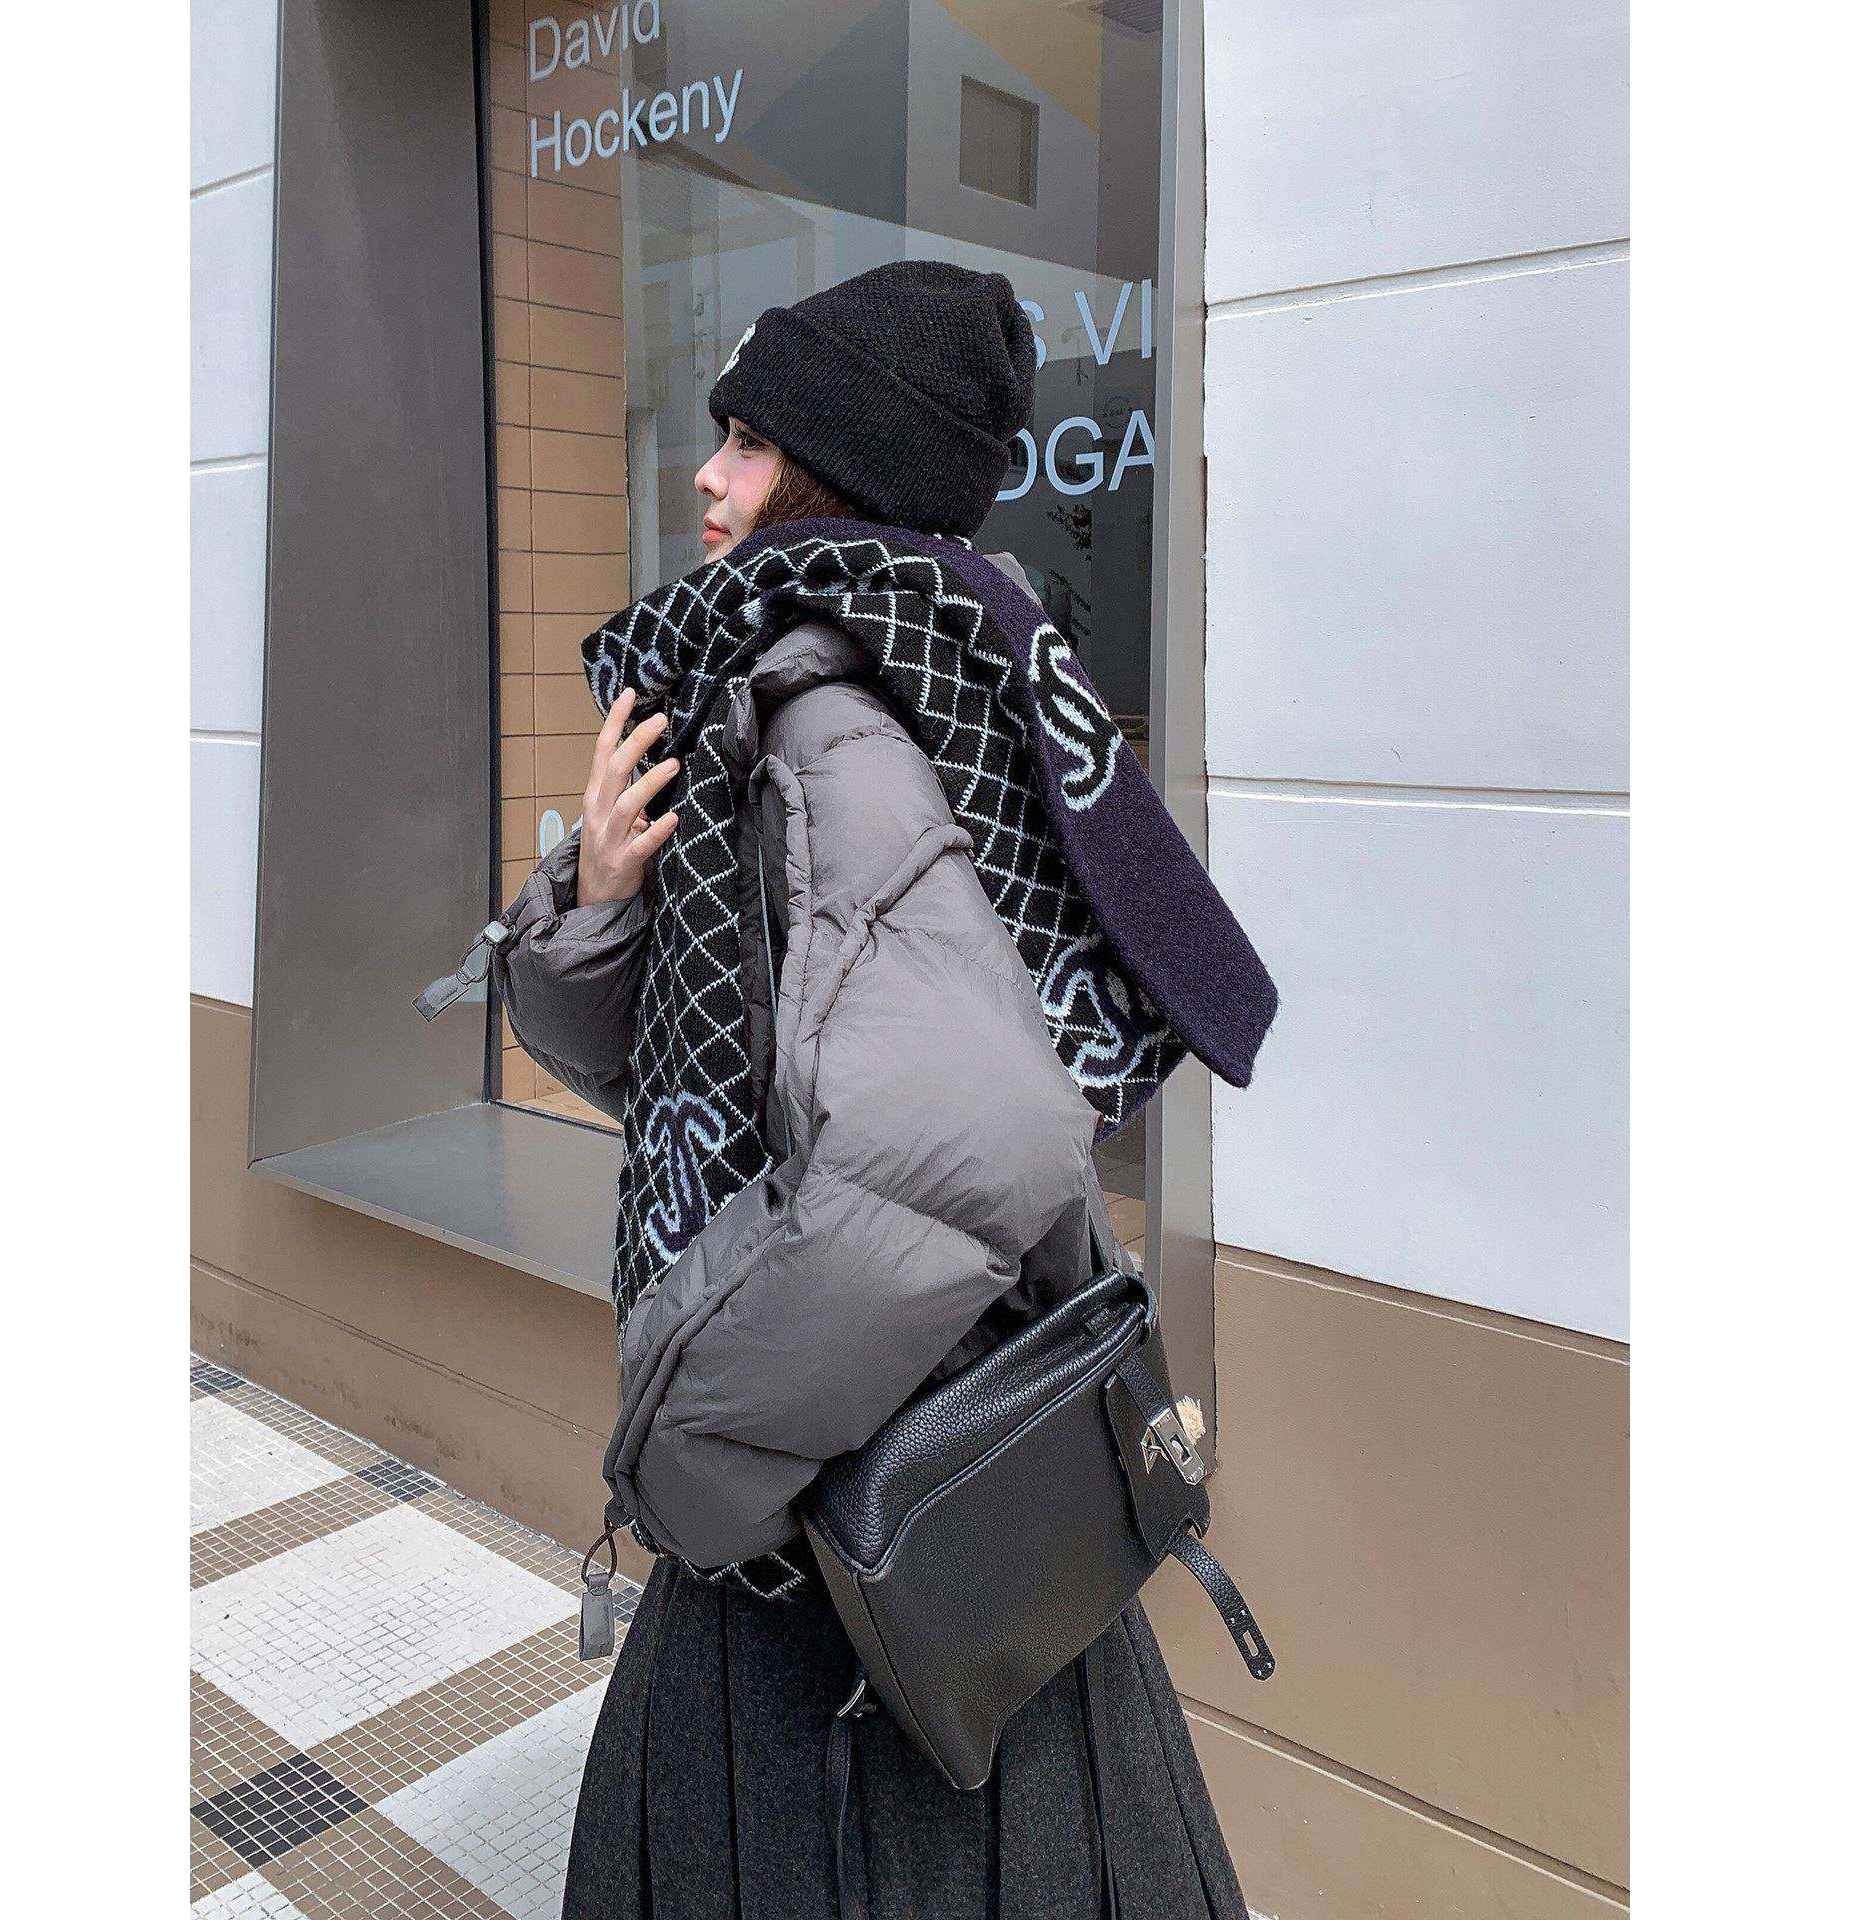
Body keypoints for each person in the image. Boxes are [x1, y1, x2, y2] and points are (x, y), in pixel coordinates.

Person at [496, 262, 1262, 1919]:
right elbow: (678, 1077)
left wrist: (679, 1454)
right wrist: (600, 898)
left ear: (838, 473)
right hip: (876, 1504)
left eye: (751, 442)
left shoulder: (838, 730)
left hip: (861, 1530)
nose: (708, 475)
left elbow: (958, 1148)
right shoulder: (821, 684)